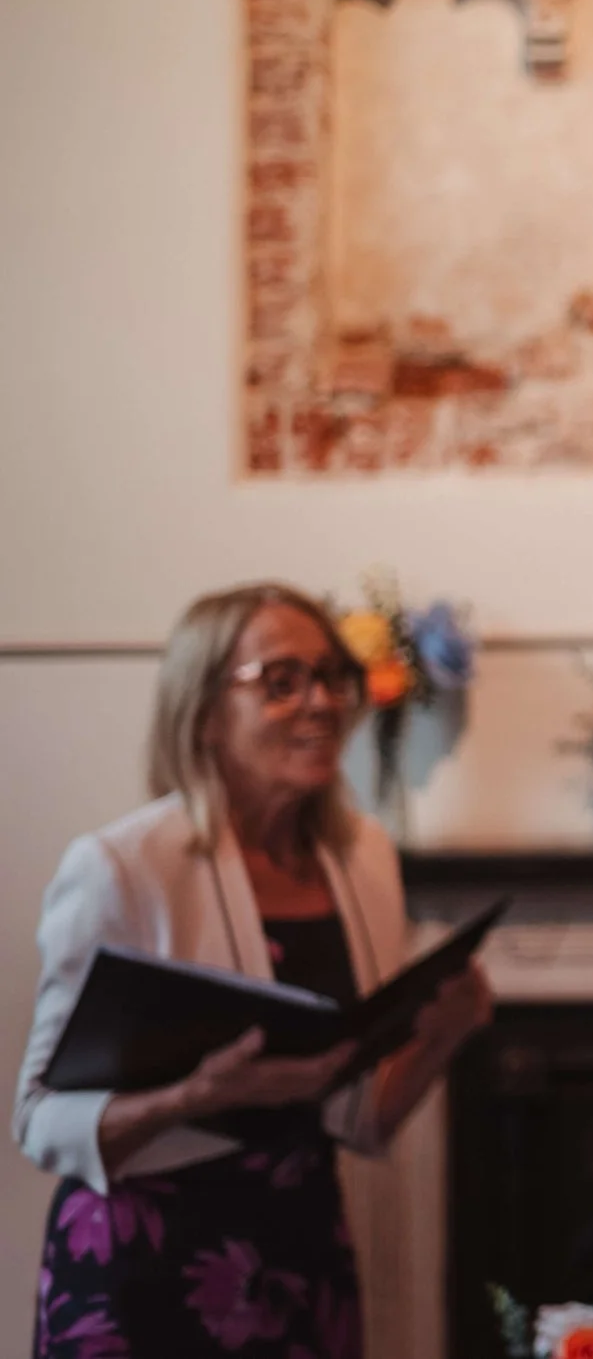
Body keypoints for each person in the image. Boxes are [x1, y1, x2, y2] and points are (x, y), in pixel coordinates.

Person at [15, 582, 494, 1359]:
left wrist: (443, 1034)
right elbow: (37, 1120)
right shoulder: (119, 867)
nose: (320, 701)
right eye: (280, 680)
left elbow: (362, 1122)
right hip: (143, 1256)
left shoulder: (362, 856)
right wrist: (192, 1097)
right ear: (203, 712)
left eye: (330, 675)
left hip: (299, 1239)